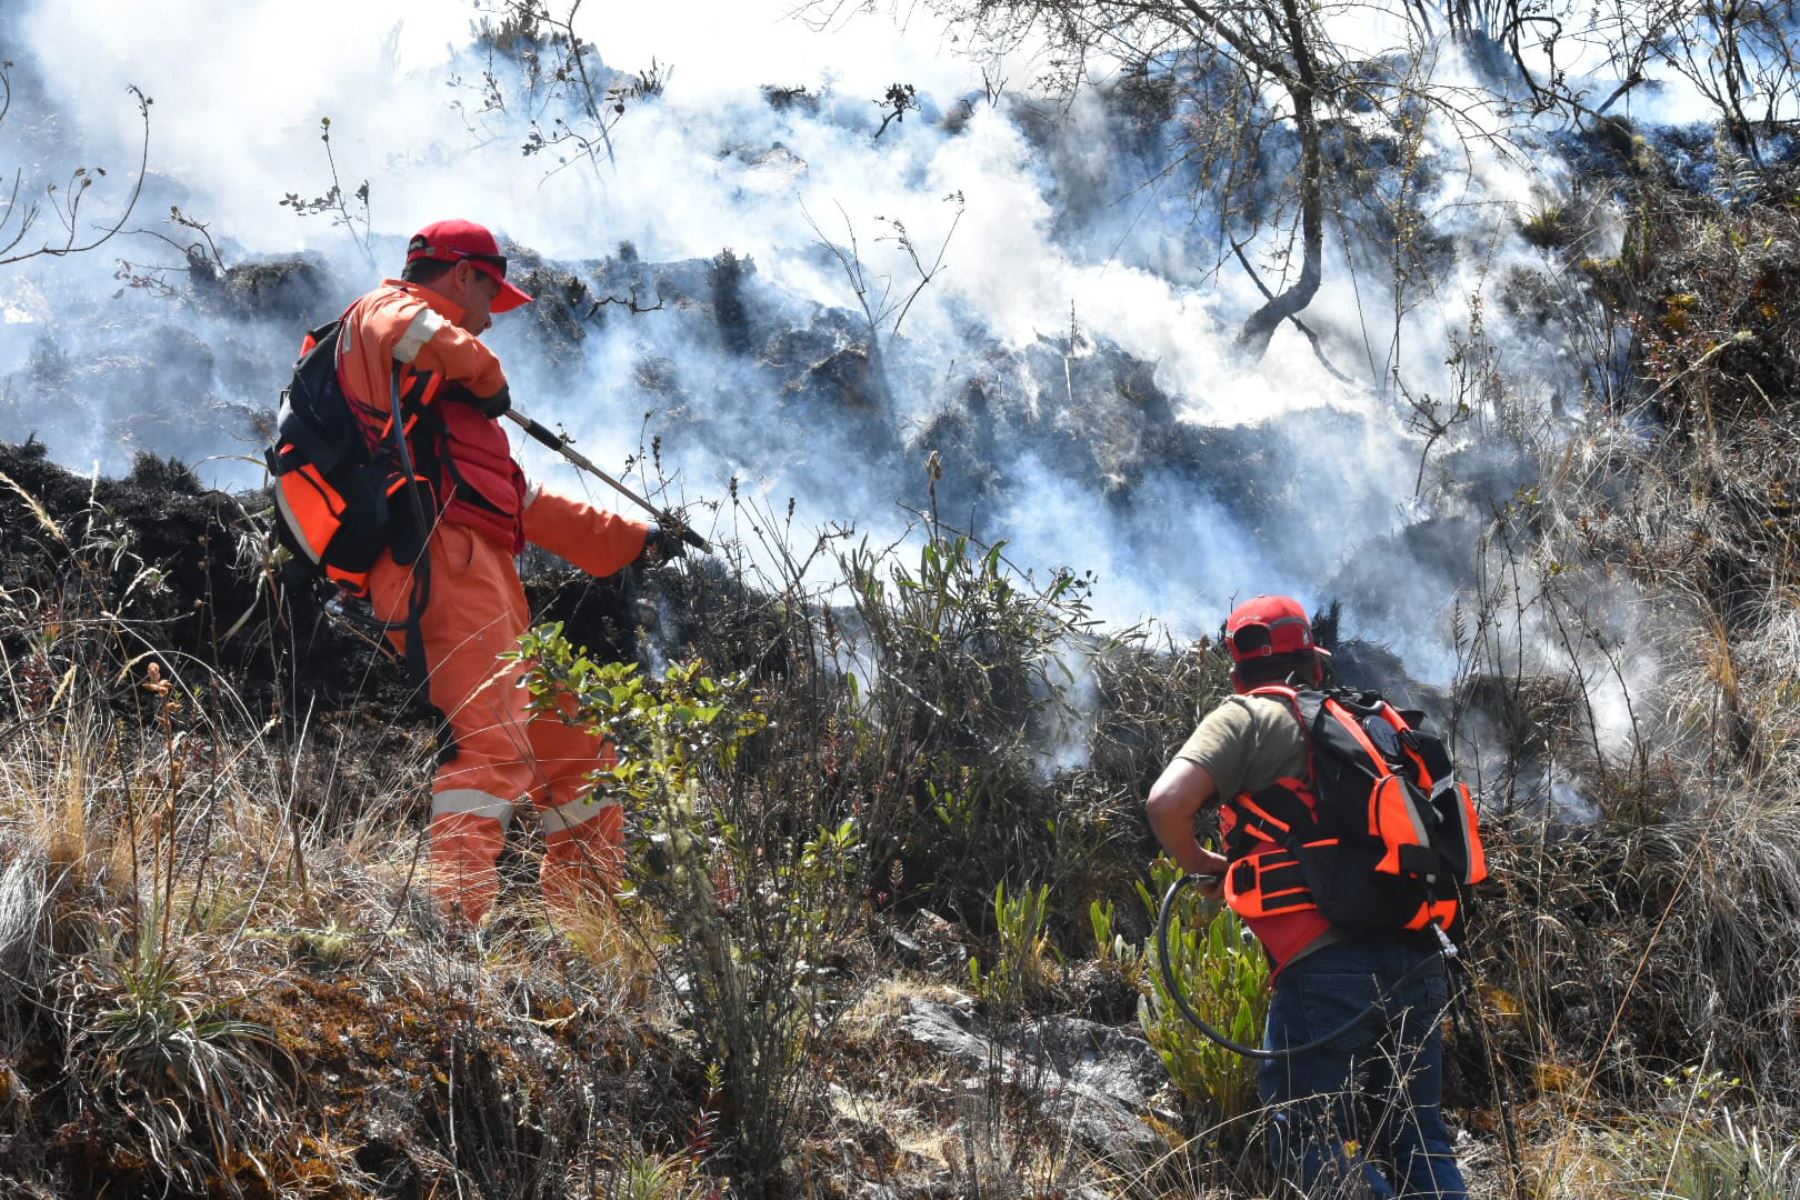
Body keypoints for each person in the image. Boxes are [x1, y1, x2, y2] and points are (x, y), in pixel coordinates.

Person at [339, 218, 682, 929]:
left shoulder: (449, 407)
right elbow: (410, 329)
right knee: (488, 743)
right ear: (461, 274)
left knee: (584, 748)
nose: (493, 320)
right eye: (491, 296)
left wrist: (635, 541)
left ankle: (587, 935)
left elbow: (525, 505)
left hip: (486, 580)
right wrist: (487, 377)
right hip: (437, 565)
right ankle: (451, 933)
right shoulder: (387, 313)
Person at [1144, 595, 1468, 1198]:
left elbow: (1166, 805)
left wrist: (1206, 864)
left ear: (1238, 670)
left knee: (1305, 1139)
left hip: (1325, 970)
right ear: (1315, 663)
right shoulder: (1370, 723)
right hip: (1419, 956)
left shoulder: (1247, 715)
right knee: (1417, 1133)